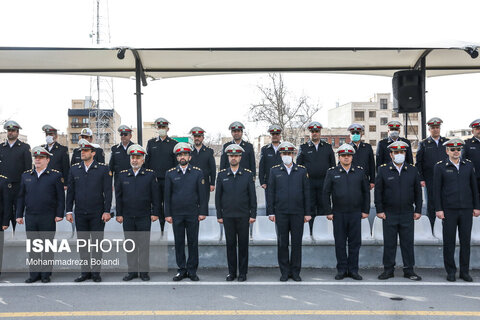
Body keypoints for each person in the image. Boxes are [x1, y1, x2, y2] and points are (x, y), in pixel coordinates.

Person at [15, 146, 65, 283]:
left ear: (47, 160)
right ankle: (34, 274)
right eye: (36, 157)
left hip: (48, 216)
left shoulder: (55, 175)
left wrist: (59, 214)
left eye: (41, 157)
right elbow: (21, 197)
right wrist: (19, 214)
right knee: (33, 247)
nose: (37, 159)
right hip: (31, 216)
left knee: (47, 247)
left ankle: (45, 274)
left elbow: (61, 197)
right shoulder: (26, 175)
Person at [66, 139, 112, 283]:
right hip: (80, 213)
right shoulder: (74, 169)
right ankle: (85, 272)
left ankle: (96, 273)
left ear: (93, 153)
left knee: (97, 244)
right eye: (81, 151)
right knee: (83, 244)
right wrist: (68, 211)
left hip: (97, 213)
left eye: (85, 151)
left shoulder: (103, 169)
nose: (83, 153)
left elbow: (108, 192)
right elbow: (71, 192)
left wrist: (107, 211)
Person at [434, 138, 480, 282]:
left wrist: (477, 206)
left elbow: (474, 188)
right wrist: (439, 209)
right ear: (447, 151)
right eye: (452, 149)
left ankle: (464, 272)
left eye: (458, 149)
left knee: (466, 242)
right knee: (449, 242)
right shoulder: (440, 166)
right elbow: (436, 190)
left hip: (466, 209)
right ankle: (451, 271)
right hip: (449, 210)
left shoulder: (468, 165)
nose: (456, 152)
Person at [375, 141, 423, 281]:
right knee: (389, 243)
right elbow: (378, 192)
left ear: (405, 153)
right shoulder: (383, 170)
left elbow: (418, 192)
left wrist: (418, 210)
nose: (399, 154)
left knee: (407, 243)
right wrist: (379, 210)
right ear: (391, 154)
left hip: (408, 212)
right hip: (389, 213)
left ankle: (409, 270)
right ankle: (388, 270)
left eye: (402, 152)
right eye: (396, 152)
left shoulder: (412, 170)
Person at [323, 143, 370, 280]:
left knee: (355, 243)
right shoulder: (332, 172)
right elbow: (326, 193)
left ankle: (353, 270)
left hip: (355, 213)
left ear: (352, 157)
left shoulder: (360, 172)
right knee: (340, 243)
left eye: (348, 155)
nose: (346, 158)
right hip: (338, 213)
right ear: (339, 157)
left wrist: (365, 210)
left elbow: (366, 192)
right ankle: (342, 270)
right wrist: (328, 211)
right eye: (343, 155)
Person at [267, 142, 311, 282]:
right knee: (282, 243)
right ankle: (285, 272)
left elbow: (306, 193)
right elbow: (271, 192)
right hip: (281, 213)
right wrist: (271, 212)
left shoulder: (302, 171)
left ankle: (296, 272)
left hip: (298, 212)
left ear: (293, 154)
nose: (286, 156)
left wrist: (307, 212)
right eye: (284, 153)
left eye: (289, 153)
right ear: (280, 155)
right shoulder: (274, 171)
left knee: (297, 243)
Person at [115, 144, 159, 281]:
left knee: (144, 245)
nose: (135, 160)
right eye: (133, 157)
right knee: (130, 245)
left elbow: (155, 196)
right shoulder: (122, 176)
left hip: (144, 215)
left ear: (143, 160)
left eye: (138, 158)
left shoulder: (150, 175)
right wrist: (119, 214)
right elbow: (119, 197)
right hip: (128, 216)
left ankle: (144, 272)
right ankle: (132, 271)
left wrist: (155, 212)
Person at [164, 142, 208, 281]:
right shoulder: (170, 174)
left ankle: (192, 270)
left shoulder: (197, 172)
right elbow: (167, 196)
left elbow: (202, 194)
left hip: (192, 213)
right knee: (179, 242)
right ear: (177, 158)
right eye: (180, 155)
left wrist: (202, 212)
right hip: (177, 214)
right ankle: (181, 270)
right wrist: (168, 214)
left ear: (189, 156)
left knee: (193, 242)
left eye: (185, 154)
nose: (182, 157)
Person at [216, 144, 257, 282]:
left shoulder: (247, 174)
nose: (233, 158)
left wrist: (253, 214)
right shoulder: (222, 175)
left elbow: (252, 196)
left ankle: (243, 273)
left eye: (236, 155)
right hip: (227, 216)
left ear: (240, 157)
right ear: (228, 157)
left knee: (243, 245)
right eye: (231, 156)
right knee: (231, 245)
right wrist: (219, 215)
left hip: (243, 215)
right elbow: (218, 197)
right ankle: (232, 272)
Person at [297, 121, 335, 230]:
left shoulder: (327, 147)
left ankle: (322, 231)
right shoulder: (303, 147)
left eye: (317, 131)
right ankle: (311, 230)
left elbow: (332, 165)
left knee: (323, 207)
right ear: (310, 133)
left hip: (324, 182)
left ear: (320, 132)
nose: (315, 133)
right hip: (309, 183)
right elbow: (299, 166)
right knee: (310, 207)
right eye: (312, 131)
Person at [415, 117, 448, 229]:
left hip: (446, 178)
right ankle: (432, 228)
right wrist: (421, 178)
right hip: (430, 179)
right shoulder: (424, 143)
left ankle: (446, 228)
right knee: (431, 204)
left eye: (437, 127)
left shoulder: (446, 143)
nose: (435, 130)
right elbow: (418, 163)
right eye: (433, 128)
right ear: (429, 129)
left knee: (446, 202)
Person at [145, 117, 177, 231]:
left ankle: (167, 228)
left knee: (168, 204)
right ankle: (158, 229)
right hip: (154, 180)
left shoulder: (173, 143)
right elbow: (147, 162)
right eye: (160, 127)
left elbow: (175, 164)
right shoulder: (151, 142)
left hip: (168, 180)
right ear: (157, 128)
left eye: (164, 127)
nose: (161, 129)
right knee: (156, 204)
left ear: (168, 129)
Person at [0, 120, 31, 230]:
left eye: (13, 131)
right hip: (3, 186)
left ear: (17, 132)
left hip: (18, 185)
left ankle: (17, 233)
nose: (11, 133)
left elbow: (28, 169)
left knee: (18, 210)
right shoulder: (1, 147)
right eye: (9, 130)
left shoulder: (24, 147)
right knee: (3, 209)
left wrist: (26, 185)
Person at [189, 127, 216, 204]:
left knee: (203, 204)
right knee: (192, 204)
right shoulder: (189, 151)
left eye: (199, 136)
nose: (197, 138)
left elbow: (213, 168)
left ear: (203, 138)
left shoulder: (209, 151)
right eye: (195, 136)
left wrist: (212, 183)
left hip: (205, 182)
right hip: (191, 182)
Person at [259, 125, 283, 208]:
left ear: (280, 136)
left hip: (283, 181)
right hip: (269, 182)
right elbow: (261, 166)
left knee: (281, 204)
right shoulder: (265, 149)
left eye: (277, 134)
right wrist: (262, 182)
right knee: (270, 205)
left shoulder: (285, 149)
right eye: (273, 134)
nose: (275, 136)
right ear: (271, 136)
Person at [347, 123, 375, 190]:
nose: (355, 134)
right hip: (350, 180)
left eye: (357, 133)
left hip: (364, 180)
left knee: (365, 199)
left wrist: (372, 181)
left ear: (361, 134)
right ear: (349, 135)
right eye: (353, 133)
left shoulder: (367, 147)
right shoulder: (346, 147)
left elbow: (372, 165)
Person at [41, 124, 69, 190]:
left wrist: (65, 183)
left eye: (50, 134)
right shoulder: (42, 149)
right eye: (47, 134)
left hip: (57, 182)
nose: (48, 136)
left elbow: (66, 168)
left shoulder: (62, 149)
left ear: (56, 136)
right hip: (43, 181)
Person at [462, 119, 480, 199]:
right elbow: (462, 162)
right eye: (477, 129)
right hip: (474, 180)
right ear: (472, 131)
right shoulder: (466, 144)